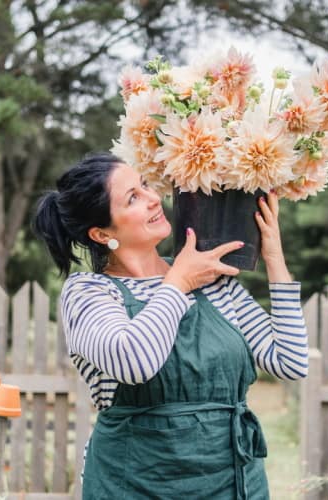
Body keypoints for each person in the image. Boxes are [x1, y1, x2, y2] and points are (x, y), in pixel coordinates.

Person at [33, 152, 308, 500]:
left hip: (234, 481)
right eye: (133, 197)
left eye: (145, 185)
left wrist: (274, 259)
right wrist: (178, 281)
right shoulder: (89, 292)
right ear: (102, 233)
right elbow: (135, 363)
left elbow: (291, 362)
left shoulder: (212, 280)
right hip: (135, 483)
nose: (153, 198)